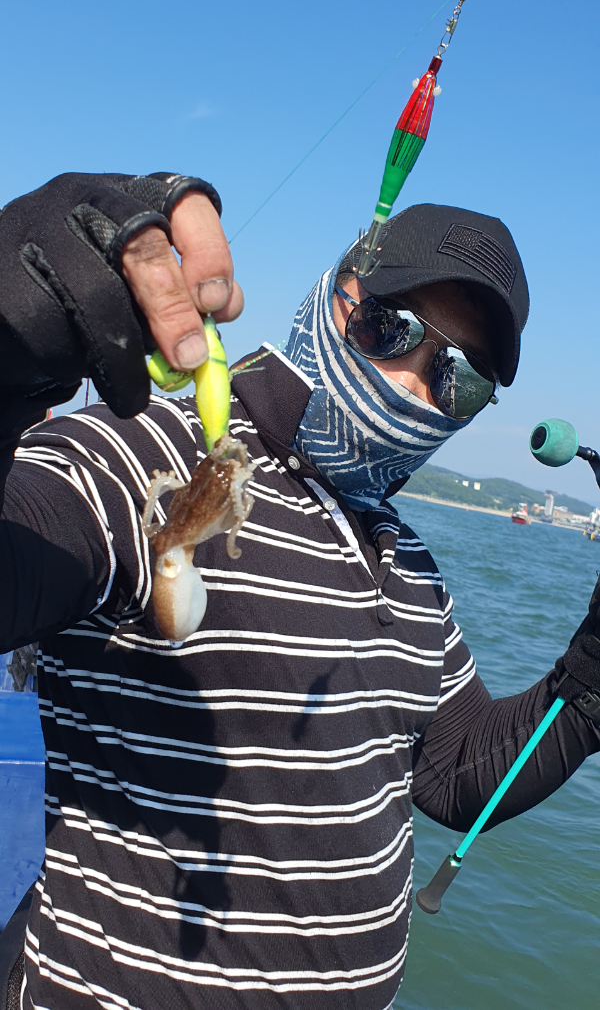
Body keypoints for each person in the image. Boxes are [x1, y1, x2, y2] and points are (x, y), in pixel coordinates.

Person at [1, 171, 600, 1010]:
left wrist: (591, 679)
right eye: (391, 328)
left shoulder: (408, 560)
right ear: (338, 295)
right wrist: (7, 371)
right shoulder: (150, 455)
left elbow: (457, 771)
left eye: (458, 377)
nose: (414, 383)